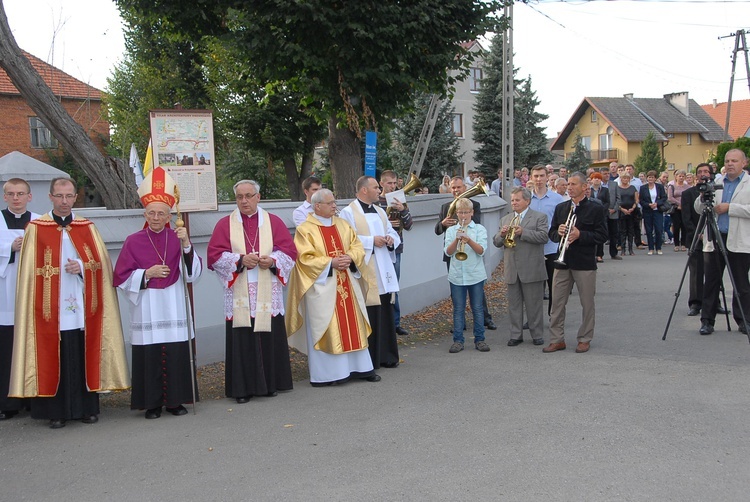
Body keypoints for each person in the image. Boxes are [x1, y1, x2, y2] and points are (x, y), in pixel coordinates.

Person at [9, 177, 129, 429]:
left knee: (79, 353)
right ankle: (56, 412)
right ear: (51, 197)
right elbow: (28, 273)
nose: (64, 201)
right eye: (59, 196)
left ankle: (86, 408)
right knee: (52, 354)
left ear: (76, 197)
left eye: (69, 196)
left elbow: (103, 267)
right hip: (47, 307)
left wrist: (84, 267)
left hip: (81, 306)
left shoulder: (88, 227)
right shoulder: (36, 228)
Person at [113, 167, 202, 419]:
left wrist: (186, 244)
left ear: (168, 216)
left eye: (161, 214)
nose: (155, 217)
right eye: (151, 213)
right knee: (150, 354)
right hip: (148, 305)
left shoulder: (177, 238)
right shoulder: (133, 240)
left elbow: (192, 273)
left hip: (173, 301)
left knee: (175, 353)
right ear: (144, 214)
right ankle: (151, 404)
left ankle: (176, 401)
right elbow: (120, 277)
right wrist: (146, 274)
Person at [207, 180, 296, 403]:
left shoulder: (272, 222)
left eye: (249, 196)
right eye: (239, 197)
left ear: (258, 196)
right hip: (240, 290)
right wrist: (239, 259)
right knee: (243, 338)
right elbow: (215, 255)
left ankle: (271, 384)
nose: (244, 201)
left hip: (267, 285)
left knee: (268, 334)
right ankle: (242, 389)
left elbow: (289, 251)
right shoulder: (224, 224)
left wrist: (273, 260)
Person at [286, 189, 381, 386]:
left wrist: (351, 258)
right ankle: (330, 375)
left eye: (334, 202)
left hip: (347, 282)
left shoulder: (343, 225)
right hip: (324, 289)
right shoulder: (306, 230)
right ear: (317, 206)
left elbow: (356, 246)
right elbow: (304, 258)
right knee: (328, 328)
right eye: (329, 203)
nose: (334, 206)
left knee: (354, 325)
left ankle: (361, 369)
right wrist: (331, 263)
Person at [340, 176, 401, 369]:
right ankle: (370, 360)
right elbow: (346, 239)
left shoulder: (381, 211)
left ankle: (388, 356)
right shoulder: (348, 212)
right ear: (364, 190)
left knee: (385, 311)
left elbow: (392, 232)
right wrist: (370, 241)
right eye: (376, 187)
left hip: (383, 267)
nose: (379, 191)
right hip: (366, 269)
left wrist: (391, 239)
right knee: (370, 313)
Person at [543, 173, 608, 354]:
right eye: (568, 184)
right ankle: (557, 339)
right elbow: (552, 233)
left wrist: (581, 235)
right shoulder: (561, 208)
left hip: (584, 262)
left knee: (587, 303)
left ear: (584, 186)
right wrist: (559, 232)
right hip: (562, 262)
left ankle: (584, 338)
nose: (569, 187)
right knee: (557, 303)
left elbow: (602, 236)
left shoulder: (595, 208)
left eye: (573, 184)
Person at [696, 149, 750, 335]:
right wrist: (702, 198)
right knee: (711, 281)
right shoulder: (715, 182)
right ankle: (707, 321)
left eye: (734, 160)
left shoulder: (748, 183)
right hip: (716, 237)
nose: (729, 164)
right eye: (727, 160)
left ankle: (744, 320)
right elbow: (698, 208)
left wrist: (730, 208)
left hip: (740, 239)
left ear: (744, 163)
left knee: (740, 283)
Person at [435, 176, 496, 330]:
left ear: (465, 188)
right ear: (450, 189)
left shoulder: (474, 204)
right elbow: (437, 230)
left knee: (477, 290)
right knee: (456, 290)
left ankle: (485, 319)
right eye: (453, 188)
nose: (456, 190)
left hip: (471, 251)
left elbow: (476, 223)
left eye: (459, 187)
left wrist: (458, 222)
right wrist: (443, 224)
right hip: (453, 253)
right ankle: (459, 322)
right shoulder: (445, 207)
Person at [0, 178, 39, 420]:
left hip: (33, 293)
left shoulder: (39, 220)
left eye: (21, 193)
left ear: (29, 196)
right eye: (11, 194)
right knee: (7, 348)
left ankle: (34, 398)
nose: (16, 198)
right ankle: (7, 403)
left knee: (32, 345)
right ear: (5, 197)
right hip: (5, 294)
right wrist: (8, 249)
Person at [494, 187, 548, 346]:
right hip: (512, 268)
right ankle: (516, 335)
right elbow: (496, 242)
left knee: (534, 305)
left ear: (527, 201)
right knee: (514, 305)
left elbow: (544, 237)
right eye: (512, 200)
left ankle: (537, 334)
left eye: (517, 200)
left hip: (532, 267)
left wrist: (523, 232)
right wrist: (502, 235)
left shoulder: (539, 217)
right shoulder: (505, 219)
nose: (514, 203)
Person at [445, 198, 489, 353]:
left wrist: (468, 240)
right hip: (456, 275)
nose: (463, 216)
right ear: (456, 213)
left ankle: (480, 339)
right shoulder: (451, 230)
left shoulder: (479, 229)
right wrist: (456, 239)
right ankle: (458, 340)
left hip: (475, 274)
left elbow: (481, 251)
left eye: (466, 212)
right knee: (458, 309)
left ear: (472, 213)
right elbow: (448, 252)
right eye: (460, 212)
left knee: (477, 308)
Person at [378, 170, 413, 336]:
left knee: (394, 286)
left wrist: (403, 210)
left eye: (394, 183)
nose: (393, 186)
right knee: (381, 286)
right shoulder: (376, 201)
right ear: (381, 183)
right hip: (379, 250)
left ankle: (396, 323)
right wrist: (386, 223)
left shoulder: (400, 200)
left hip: (396, 249)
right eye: (389, 183)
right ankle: (383, 322)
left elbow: (409, 225)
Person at [528, 165, 564, 315]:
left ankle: (553, 316)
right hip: (532, 248)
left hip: (551, 247)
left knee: (553, 285)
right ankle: (533, 319)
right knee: (533, 287)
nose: (539, 179)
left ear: (547, 177)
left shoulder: (557, 199)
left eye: (541, 176)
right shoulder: (526, 198)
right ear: (531, 178)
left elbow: (561, 222)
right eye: (536, 176)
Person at [681, 163, 712, 317]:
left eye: (706, 171)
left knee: (714, 273)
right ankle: (695, 303)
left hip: (713, 237)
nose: (703, 174)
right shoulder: (688, 194)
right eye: (700, 172)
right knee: (696, 272)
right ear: (695, 176)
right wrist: (697, 234)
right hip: (696, 238)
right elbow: (686, 219)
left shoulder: (716, 192)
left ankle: (714, 303)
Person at [639, 170, 668, 255]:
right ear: (647, 178)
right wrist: (648, 204)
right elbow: (641, 200)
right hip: (647, 211)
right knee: (649, 230)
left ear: (655, 178)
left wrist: (657, 204)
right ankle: (651, 248)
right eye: (649, 177)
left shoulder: (659, 187)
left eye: (652, 177)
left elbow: (663, 198)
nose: (650, 179)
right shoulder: (643, 188)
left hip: (657, 211)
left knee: (659, 229)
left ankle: (658, 248)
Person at [589, 173, 610, 262]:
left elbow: (607, 202)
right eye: (595, 178)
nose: (597, 180)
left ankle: (599, 255)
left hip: (601, 214)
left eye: (598, 178)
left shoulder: (605, 190)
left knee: (600, 233)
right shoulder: (588, 189)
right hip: (590, 214)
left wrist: (601, 209)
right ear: (591, 180)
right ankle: (592, 254)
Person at [618, 173, 639, 256]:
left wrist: (633, 208)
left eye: (627, 178)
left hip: (631, 211)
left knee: (631, 230)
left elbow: (636, 199)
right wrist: (622, 209)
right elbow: (616, 200)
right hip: (621, 211)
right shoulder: (618, 188)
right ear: (621, 179)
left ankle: (631, 249)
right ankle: (623, 249)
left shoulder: (632, 188)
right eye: (624, 178)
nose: (626, 180)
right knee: (622, 231)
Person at [668, 170, 690, 251]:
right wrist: (679, 204)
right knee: (676, 226)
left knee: (684, 226)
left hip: (685, 209)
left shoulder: (687, 187)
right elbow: (670, 198)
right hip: (676, 209)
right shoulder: (672, 186)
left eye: (683, 176)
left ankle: (684, 244)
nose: (681, 178)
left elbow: (689, 197)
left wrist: (683, 205)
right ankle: (676, 244)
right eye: (679, 176)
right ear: (676, 177)